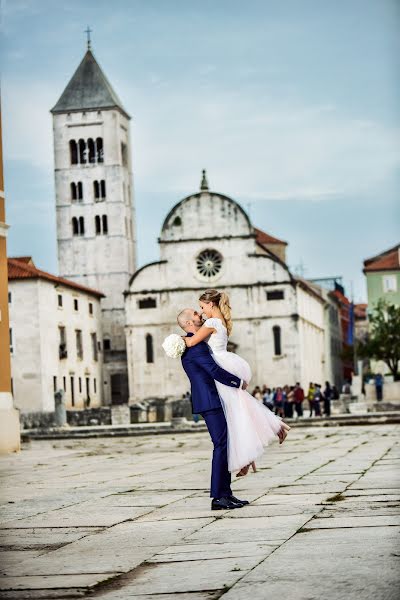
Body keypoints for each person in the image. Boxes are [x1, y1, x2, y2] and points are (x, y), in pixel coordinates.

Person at [180, 289, 290, 478]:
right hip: (225, 361)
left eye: (202, 307)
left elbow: (191, 343)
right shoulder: (218, 321)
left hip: (220, 363)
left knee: (235, 411)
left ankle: (256, 447)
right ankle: (271, 431)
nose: (202, 311)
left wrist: (175, 340)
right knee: (239, 406)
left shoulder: (212, 322)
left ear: (211, 304)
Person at [178, 308, 249, 510]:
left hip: (211, 399)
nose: (199, 314)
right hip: (210, 400)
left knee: (224, 444)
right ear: (189, 323)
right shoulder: (196, 347)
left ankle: (226, 493)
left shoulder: (195, 343)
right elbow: (213, 370)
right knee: (221, 445)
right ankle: (218, 497)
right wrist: (238, 382)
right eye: (195, 313)